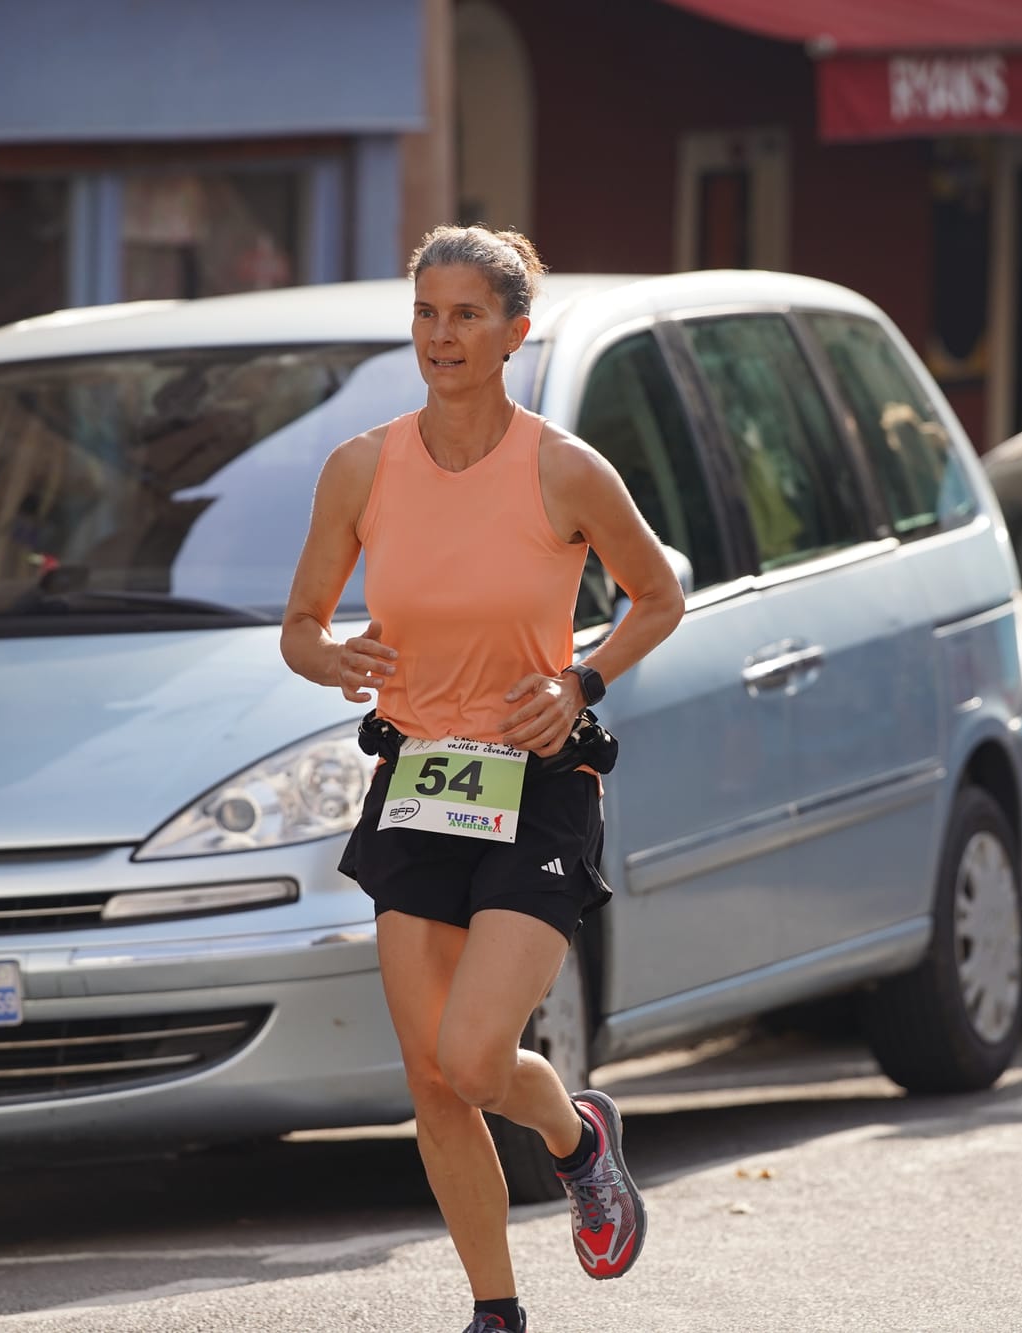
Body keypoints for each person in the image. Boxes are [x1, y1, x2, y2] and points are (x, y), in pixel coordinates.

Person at [281, 225, 685, 1333]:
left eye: (466, 315)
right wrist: (333, 657)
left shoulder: (563, 468)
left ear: (515, 332)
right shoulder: (361, 467)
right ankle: (494, 1311)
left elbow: (658, 595)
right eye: (426, 313)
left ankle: (575, 1139)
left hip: (536, 777)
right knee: (430, 1079)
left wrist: (580, 681)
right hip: (420, 774)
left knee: (471, 1057)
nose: (442, 335)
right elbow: (301, 625)